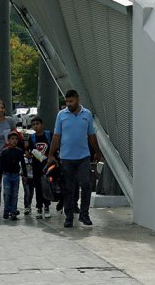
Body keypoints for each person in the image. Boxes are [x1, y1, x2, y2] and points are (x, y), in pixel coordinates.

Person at [50, 90, 102, 228]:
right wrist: (51, 154)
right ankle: (69, 216)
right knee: (68, 187)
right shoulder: (61, 115)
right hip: (66, 158)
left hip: (83, 157)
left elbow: (91, 135)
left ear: (78, 99)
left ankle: (84, 215)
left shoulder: (87, 114)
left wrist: (97, 151)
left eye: (71, 101)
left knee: (86, 185)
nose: (68, 104)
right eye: (67, 102)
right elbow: (56, 136)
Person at [24, 117, 52, 218]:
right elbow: (29, 150)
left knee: (47, 186)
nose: (36, 126)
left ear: (42, 124)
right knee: (38, 187)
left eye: (37, 124)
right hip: (36, 166)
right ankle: (39, 207)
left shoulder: (49, 135)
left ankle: (47, 206)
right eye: (33, 124)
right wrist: (27, 152)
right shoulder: (32, 138)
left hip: (48, 166)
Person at [0, 131, 25, 220]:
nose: (14, 141)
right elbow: (0, 165)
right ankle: (6, 210)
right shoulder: (5, 151)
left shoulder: (19, 151)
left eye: (16, 139)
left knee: (15, 194)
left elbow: (23, 163)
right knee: (7, 193)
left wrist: (24, 175)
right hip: (6, 175)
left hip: (16, 175)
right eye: (12, 139)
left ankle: (13, 212)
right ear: (8, 140)